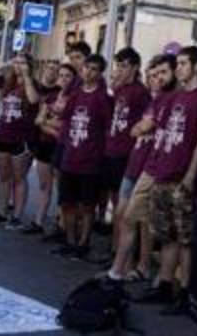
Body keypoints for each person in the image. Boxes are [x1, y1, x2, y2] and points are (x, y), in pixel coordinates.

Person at [132, 46, 197, 315]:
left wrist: (190, 175)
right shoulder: (175, 96)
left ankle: (185, 292)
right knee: (167, 236)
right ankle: (164, 285)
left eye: (184, 63)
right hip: (162, 171)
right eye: (177, 63)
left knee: (185, 237)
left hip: (181, 177)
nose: (179, 68)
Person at [106, 54, 174, 284]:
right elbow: (136, 130)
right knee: (126, 215)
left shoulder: (161, 99)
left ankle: (134, 267)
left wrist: (142, 127)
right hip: (136, 163)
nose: (154, 79)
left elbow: (142, 127)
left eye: (159, 74)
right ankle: (122, 266)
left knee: (138, 219)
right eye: (152, 75)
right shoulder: (153, 100)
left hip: (148, 165)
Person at [54, 54, 112, 260]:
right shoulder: (76, 93)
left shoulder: (103, 98)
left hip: (91, 160)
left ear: (100, 73)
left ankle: (83, 242)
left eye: (94, 69)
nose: (89, 72)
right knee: (67, 202)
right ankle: (70, 240)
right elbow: (64, 116)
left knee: (87, 205)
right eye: (87, 68)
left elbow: (107, 128)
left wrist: (101, 156)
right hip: (71, 155)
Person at [101, 49, 149, 260]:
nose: (119, 70)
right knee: (115, 202)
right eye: (118, 65)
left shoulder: (139, 92)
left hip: (126, 153)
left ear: (134, 67)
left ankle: (119, 252)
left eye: (124, 66)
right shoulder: (120, 90)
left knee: (124, 207)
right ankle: (113, 248)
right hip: (112, 149)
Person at [0, 54, 40, 228]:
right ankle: (1, 212)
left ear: (29, 66)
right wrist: (6, 63)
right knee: (3, 177)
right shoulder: (8, 82)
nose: (18, 66)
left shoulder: (33, 84)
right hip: (3, 133)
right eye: (16, 62)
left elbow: (33, 100)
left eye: (22, 62)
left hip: (22, 136)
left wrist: (26, 77)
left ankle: (17, 215)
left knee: (19, 177)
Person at [28, 63, 74, 236]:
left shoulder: (74, 98)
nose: (62, 78)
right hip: (45, 143)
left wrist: (50, 123)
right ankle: (38, 220)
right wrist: (52, 126)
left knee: (61, 187)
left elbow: (66, 126)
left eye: (67, 76)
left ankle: (61, 225)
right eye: (61, 75)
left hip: (62, 147)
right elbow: (39, 121)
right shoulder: (51, 96)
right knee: (44, 185)